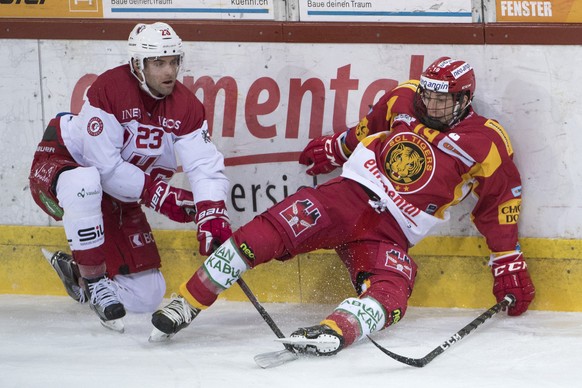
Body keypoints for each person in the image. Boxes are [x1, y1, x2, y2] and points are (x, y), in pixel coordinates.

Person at [148, 57, 535, 356]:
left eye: (441, 99)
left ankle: (337, 329)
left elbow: (499, 201)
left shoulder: (486, 141)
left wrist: (508, 259)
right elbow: (368, 128)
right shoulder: (403, 97)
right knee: (259, 236)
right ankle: (187, 302)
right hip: (345, 199)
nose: (429, 104)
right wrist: (337, 147)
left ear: (464, 100)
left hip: (393, 233)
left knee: (394, 291)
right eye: (427, 95)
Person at [29, 22, 232, 332]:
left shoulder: (187, 107)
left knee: (146, 296)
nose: (169, 71)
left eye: (174, 61)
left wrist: (212, 212)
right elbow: (104, 168)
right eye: (159, 63)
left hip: (118, 190)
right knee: (86, 183)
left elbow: (204, 166)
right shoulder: (110, 89)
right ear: (138, 65)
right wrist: (162, 196)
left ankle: (76, 273)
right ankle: (95, 281)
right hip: (61, 167)